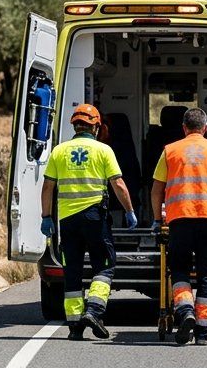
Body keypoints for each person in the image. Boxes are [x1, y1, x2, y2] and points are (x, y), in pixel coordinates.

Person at [40, 104, 137, 341]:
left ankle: (74, 326)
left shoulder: (59, 151)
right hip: (95, 218)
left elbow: (48, 187)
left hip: (68, 220)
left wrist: (46, 217)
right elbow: (119, 184)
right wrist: (129, 211)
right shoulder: (103, 150)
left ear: (75, 126)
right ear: (96, 127)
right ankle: (94, 310)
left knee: (71, 270)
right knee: (104, 266)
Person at [150, 108, 207, 346]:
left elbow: (157, 190)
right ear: (206, 128)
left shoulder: (170, 151)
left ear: (184, 128)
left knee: (179, 269)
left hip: (179, 220)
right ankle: (202, 333)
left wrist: (158, 221)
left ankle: (185, 310)